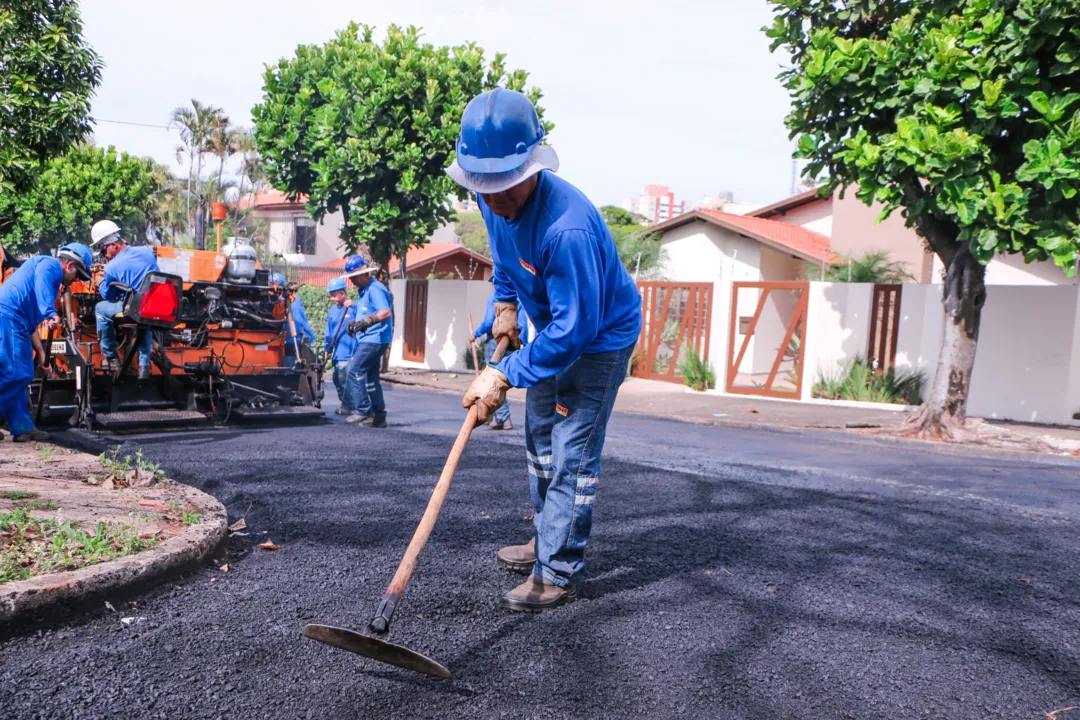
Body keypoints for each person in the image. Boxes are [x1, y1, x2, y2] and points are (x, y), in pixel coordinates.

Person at [449, 89, 642, 612]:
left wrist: (503, 373)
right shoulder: (493, 201)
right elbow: (507, 264)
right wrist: (506, 305)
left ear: (532, 166)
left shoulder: (568, 228)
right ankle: (544, 540)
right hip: (550, 334)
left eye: (506, 184)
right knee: (537, 442)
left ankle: (557, 568)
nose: (495, 198)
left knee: (571, 455)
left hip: (598, 341)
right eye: (483, 186)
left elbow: (575, 332)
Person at [0, 244, 92, 442]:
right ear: (68, 265)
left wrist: (41, 353)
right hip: (8, 317)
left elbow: (32, 324)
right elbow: (42, 284)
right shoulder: (50, 265)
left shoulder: (47, 281)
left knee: (20, 375)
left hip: (21, 324)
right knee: (16, 374)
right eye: (77, 275)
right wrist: (50, 312)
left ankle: (22, 427)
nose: (76, 280)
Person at [90, 220, 159, 379]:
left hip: (136, 308)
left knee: (100, 309)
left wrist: (101, 282)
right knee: (145, 319)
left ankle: (111, 357)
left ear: (113, 245)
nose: (104, 255)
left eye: (103, 250)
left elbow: (110, 295)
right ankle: (143, 366)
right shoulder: (146, 251)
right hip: (154, 306)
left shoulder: (111, 268)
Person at [342, 256, 393, 428]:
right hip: (370, 338)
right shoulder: (364, 291)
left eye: (354, 277)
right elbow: (365, 312)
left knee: (354, 370)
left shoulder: (375, 289)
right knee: (371, 379)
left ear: (365, 275)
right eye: (350, 278)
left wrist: (368, 321)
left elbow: (385, 312)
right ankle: (379, 417)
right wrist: (356, 323)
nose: (352, 281)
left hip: (375, 339)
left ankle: (363, 410)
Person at [472, 281, 529, 430]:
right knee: (503, 377)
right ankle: (498, 418)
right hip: (513, 341)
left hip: (496, 341)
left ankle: (503, 417)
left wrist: (476, 334)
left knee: (494, 380)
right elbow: (522, 324)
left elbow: (489, 321)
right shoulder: (521, 296)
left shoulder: (496, 297)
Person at [323, 276, 357, 416]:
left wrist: (354, 306)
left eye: (333, 295)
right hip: (337, 352)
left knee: (346, 380)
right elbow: (329, 331)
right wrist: (327, 349)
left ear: (342, 294)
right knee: (337, 379)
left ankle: (352, 406)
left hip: (350, 353)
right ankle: (347, 405)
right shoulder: (333, 311)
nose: (332, 298)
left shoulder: (354, 308)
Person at [269, 273, 316, 368]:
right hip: (291, 343)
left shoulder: (289, 301)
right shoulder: (285, 300)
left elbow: (296, 325)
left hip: (292, 344)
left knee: (290, 373)